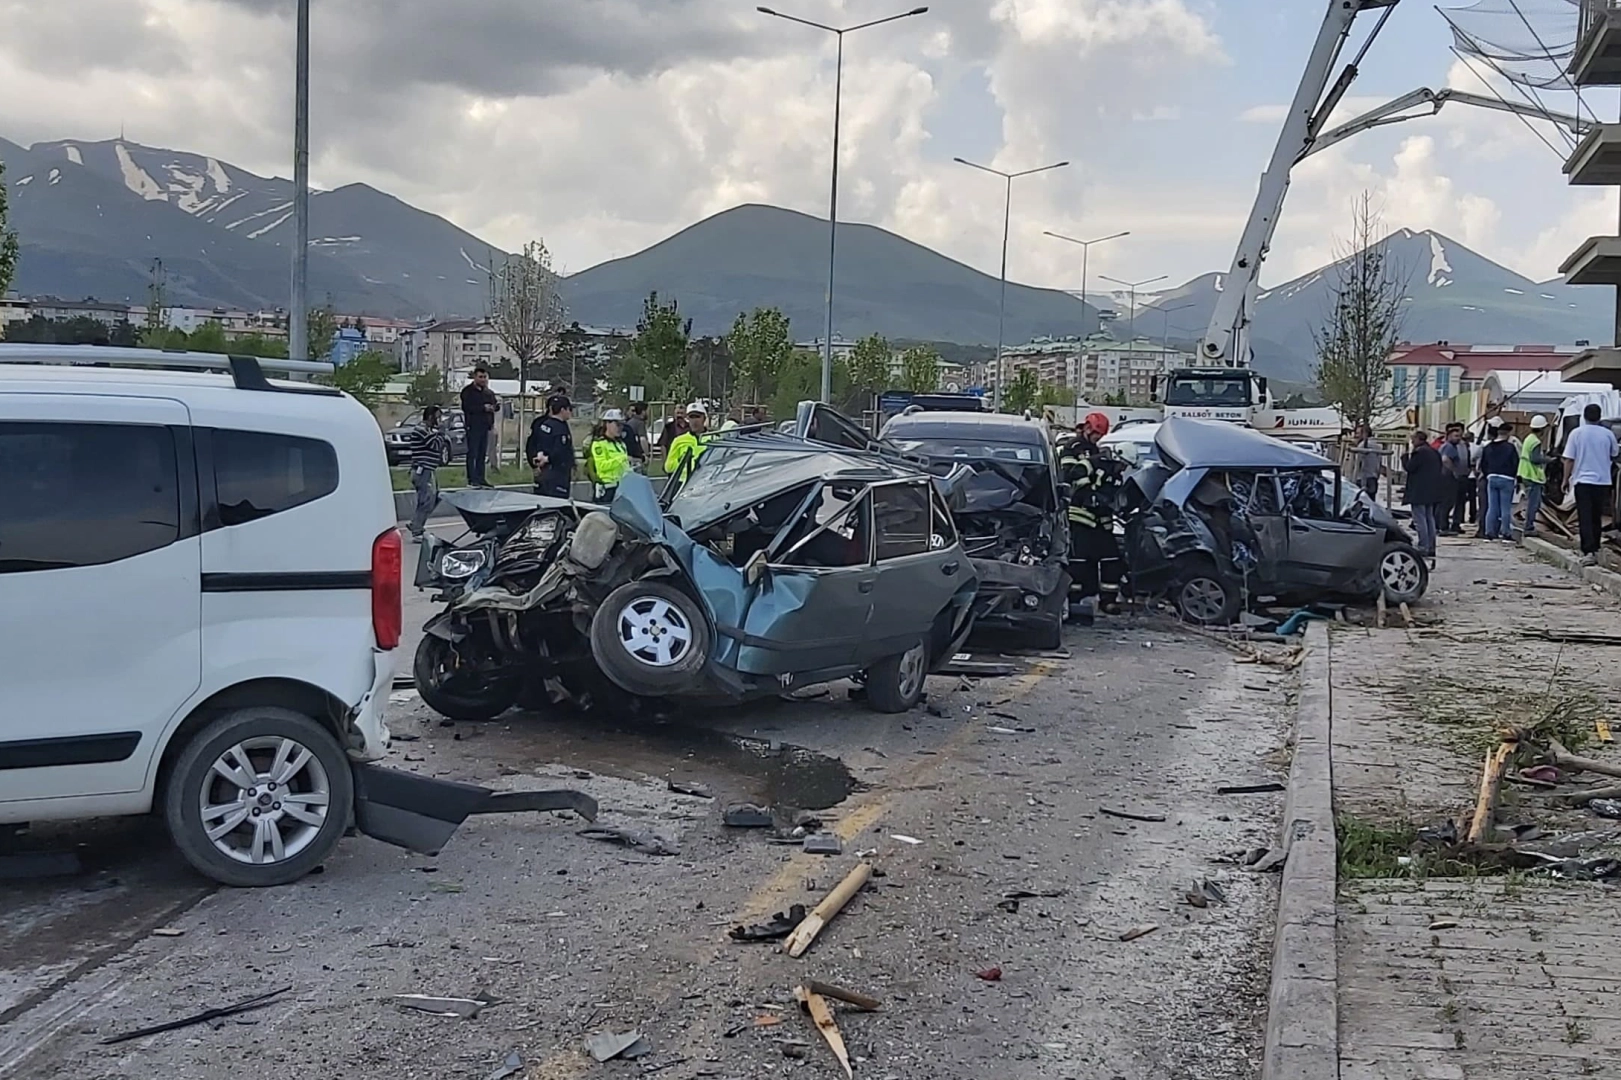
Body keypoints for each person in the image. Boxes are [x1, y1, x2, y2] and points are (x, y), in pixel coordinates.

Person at [1057, 412, 1124, 624]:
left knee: (1111, 558)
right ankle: (1075, 601)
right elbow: (1069, 474)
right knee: (1079, 561)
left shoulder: (1098, 451)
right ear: (1087, 428)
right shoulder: (1072, 448)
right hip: (1079, 514)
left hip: (1100, 517)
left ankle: (1107, 600)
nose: (1097, 437)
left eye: (1100, 434)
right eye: (1095, 433)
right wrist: (1089, 494)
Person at [1562, 402, 1619, 564]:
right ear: (1599, 417)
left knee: (1585, 516)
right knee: (1597, 516)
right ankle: (1595, 547)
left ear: (1584, 416)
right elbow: (1614, 453)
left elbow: (1569, 460)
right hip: (1603, 481)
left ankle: (1588, 551)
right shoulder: (1608, 434)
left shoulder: (1577, 433)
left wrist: (1565, 480)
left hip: (1583, 481)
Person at [405, 405, 447, 539]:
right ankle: (417, 529)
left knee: (434, 498)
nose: (440, 420)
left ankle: (415, 523)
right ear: (430, 417)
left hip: (429, 469)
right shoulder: (421, 430)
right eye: (438, 417)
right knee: (426, 500)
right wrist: (441, 432)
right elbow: (435, 445)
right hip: (422, 470)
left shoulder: (428, 430)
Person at [1401, 429, 1444, 560]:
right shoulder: (1434, 452)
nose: (1412, 441)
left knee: (1420, 520)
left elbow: (1410, 468)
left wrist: (1404, 457)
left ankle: (1423, 546)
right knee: (1429, 518)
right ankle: (1431, 546)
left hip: (1418, 491)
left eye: (1413, 439)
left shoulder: (1419, 453)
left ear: (1419, 439)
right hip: (1431, 490)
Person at [527, 394, 575, 498]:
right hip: (558, 473)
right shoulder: (560, 428)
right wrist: (548, 459)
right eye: (569, 409)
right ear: (562, 410)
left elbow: (536, 444)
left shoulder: (544, 425)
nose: (570, 412)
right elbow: (561, 450)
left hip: (543, 471)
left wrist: (538, 459)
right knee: (557, 503)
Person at [1479, 419, 1520, 542]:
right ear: (1507, 434)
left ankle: (1489, 532)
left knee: (1492, 507)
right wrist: (1515, 477)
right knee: (1505, 508)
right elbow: (1515, 463)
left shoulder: (1488, 447)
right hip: (1506, 478)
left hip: (1491, 478)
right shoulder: (1510, 447)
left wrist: (1488, 474)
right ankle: (1506, 532)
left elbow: (1483, 464)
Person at [459, 366, 500, 488]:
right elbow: (467, 407)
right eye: (480, 377)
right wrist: (483, 408)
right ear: (475, 377)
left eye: (484, 377)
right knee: (473, 453)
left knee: (482, 453)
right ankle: (472, 479)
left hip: (485, 426)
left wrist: (494, 408)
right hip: (473, 426)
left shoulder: (488, 393)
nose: (483, 380)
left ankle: (481, 478)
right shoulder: (468, 392)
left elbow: (495, 405)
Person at [588, 409, 632, 502]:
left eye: (622, 425)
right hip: (607, 488)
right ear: (607, 424)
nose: (620, 428)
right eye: (617, 425)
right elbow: (602, 466)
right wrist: (622, 459)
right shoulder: (599, 444)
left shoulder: (621, 444)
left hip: (622, 488)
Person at [1518, 414, 1550, 538]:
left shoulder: (1529, 438)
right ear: (1542, 429)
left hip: (1525, 473)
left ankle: (1528, 525)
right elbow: (1535, 459)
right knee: (1533, 503)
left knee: (1530, 502)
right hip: (1532, 476)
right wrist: (1549, 460)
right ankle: (1529, 527)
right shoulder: (1536, 441)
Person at [664, 402, 711, 481]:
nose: (694, 421)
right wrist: (682, 461)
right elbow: (668, 467)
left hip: (705, 482)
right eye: (691, 417)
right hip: (683, 484)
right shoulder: (679, 440)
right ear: (687, 419)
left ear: (704, 418)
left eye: (697, 417)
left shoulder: (714, 439)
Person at [1438, 425, 1468, 535]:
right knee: (1447, 503)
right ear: (1449, 436)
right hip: (1448, 478)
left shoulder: (1455, 446)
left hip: (1451, 478)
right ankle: (1443, 526)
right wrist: (1454, 471)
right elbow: (1445, 460)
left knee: (1450, 502)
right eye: (1455, 436)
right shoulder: (1448, 447)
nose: (1458, 438)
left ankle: (1445, 525)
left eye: (1459, 436)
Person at [1347, 422, 1383, 500]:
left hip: (1362, 478)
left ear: (1365, 434)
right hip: (1373, 477)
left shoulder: (1362, 446)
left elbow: (1356, 463)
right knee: (1371, 502)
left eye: (1357, 433)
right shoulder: (1378, 446)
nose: (1356, 436)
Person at [1461, 431, 1480, 526]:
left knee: (1461, 498)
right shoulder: (1476, 447)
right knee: (1472, 498)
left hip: (1464, 475)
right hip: (1473, 475)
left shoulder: (1461, 447)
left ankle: (1461, 517)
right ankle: (1472, 516)